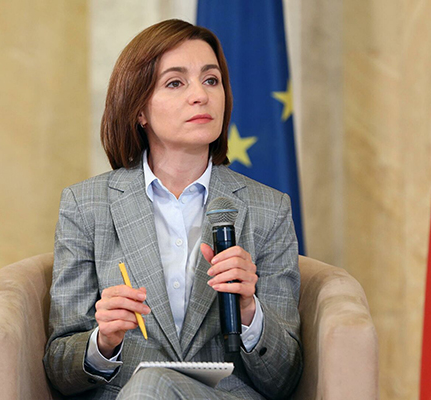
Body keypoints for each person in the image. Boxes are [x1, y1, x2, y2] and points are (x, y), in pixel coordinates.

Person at [43, 19, 302, 400]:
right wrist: (104, 341)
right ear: (139, 110)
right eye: (176, 83)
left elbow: (285, 379)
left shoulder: (269, 209)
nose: (200, 95)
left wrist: (250, 311)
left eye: (211, 80)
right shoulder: (86, 206)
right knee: (147, 387)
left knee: (152, 386)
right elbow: (60, 369)